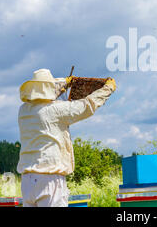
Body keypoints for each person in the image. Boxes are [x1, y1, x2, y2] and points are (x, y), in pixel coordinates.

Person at [16, 68, 116, 207]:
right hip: (49, 179)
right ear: (50, 88)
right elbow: (86, 106)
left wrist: (65, 82)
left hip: (27, 181)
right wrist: (107, 89)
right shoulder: (56, 110)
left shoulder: (23, 111)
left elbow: (49, 92)